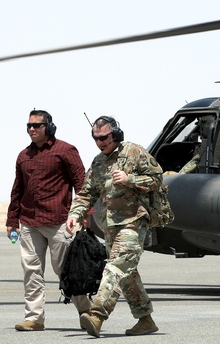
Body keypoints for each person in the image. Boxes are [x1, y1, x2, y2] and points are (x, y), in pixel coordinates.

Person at [65, 116, 163, 338]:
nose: (100, 142)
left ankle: (97, 315)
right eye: (96, 138)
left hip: (133, 223)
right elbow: (87, 192)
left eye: (104, 138)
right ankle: (145, 319)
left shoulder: (134, 152)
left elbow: (157, 178)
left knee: (115, 268)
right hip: (111, 227)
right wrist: (74, 214)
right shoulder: (99, 162)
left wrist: (130, 179)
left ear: (116, 134)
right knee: (127, 274)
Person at [6, 109, 91, 332]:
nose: (32, 129)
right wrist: (12, 221)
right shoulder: (24, 155)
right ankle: (34, 318)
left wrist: (85, 215)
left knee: (64, 269)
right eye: (29, 126)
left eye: (37, 126)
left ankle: (87, 312)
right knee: (31, 271)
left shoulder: (65, 150)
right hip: (29, 223)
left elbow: (82, 185)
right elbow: (17, 190)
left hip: (59, 220)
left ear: (49, 127)